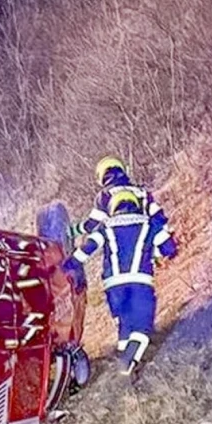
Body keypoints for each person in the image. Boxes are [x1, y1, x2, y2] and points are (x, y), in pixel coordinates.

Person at [65, 189, 178, 377]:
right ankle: (125, 370)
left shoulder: (105, 227)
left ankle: (127, 366)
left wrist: (66, 265)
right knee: (142, 327)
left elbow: (86, 251)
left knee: (125, 325)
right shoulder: (148, 225)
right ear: (134, 204)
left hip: (113, 288)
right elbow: (169, 248)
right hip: (140, 283)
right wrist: (159, 252)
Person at [70, 156, 170, 242]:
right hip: (145, 240)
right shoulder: (142, 192)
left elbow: (92, 224)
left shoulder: (104, 196)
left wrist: (73, 231)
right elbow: (158, 216)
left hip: (120, 245)